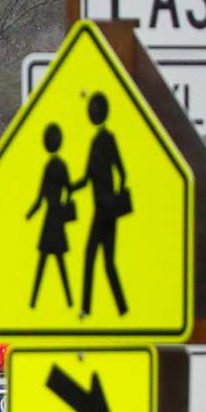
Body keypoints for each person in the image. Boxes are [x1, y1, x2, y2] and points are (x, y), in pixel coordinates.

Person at [78, 92, 130, 318]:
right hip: (104, 208)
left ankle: (88, 309)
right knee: (106, 261)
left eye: (94, 109)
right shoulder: (98, 139)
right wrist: (70, 188)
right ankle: (121, 308)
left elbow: (122, 171)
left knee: (92, 256)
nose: (91, 113)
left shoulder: (105, 139)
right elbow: (89, 176)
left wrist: (115, 198)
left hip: (104, 210)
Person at [24, 123, 76, 310]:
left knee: (46, 262)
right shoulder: (59, 165)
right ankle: (68, 301)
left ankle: (36, 301)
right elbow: (68, 189)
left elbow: (41, 197)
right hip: (56, 219)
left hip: (50, 219)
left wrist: (30, 214)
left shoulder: (52, 166)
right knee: (55, 262)